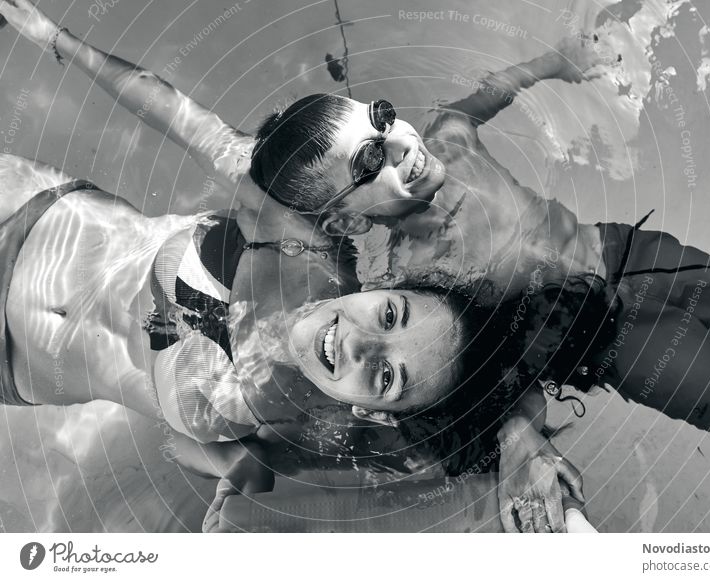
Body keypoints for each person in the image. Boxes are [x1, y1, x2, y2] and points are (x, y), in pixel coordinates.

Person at [0, 0, 591, 532]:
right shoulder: (283, 208)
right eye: (376, 130)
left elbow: (459, 375)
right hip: (36, 210)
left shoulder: (339, 377)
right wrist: (53, 36)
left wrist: (520, 441)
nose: (402, 142)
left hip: (14, 366)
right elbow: (168, 108)